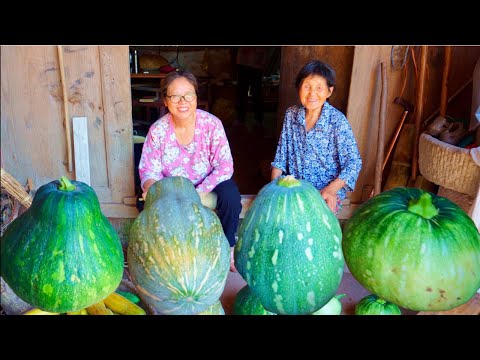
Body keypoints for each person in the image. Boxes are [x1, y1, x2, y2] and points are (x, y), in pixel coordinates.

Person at [139, 71, 242, 271]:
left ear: (196, 97)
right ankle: (168, 253)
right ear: (166, 101)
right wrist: (153, 189)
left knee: (230, 196)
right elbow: (149, 169)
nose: (182, 101)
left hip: (206, 184)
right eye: (175, 96)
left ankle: (228, 246)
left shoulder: (212, 125)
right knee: (142, 201)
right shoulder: (158, 130)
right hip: (172, 188)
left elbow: (225, 165)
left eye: (189, 94)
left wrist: (197, 192)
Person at [271, 60, 362, 214]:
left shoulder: (336, 121)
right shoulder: (291, 115)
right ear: (299, 87)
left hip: (324, 193)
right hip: (294, 189)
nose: (312, 94)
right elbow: (280, 158)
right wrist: (273, 190)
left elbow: (354, 163)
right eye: (307, 86)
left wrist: (331, 190)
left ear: (329, 91)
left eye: (319, 88)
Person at [235, 46, 268, 127]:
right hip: (243, 62)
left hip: (257, 63)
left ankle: (258, 120)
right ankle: (240, 118)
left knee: (256, 92)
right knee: (242, 92)